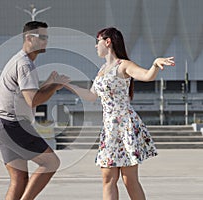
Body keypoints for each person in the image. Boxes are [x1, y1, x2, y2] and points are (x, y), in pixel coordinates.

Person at [66, 27, 175, 200]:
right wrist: (67, 85)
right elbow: (91, 95)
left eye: (98, 42)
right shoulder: (102, 69)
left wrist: (154, 64)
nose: (96, 47)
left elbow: (147, 76)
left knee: (129, 179)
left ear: (107, 42)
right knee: (108, 178)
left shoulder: (123, 65)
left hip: (125, 126)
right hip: (109, 128)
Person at [0, 21, 69, 200]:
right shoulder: (25, 64)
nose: (45, 41)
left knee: (19, 179)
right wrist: (55, 86)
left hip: (0, 124)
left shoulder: (21, 61)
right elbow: (33, 100)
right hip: (12, 124)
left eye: (47, 37)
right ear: (28, 38)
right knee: (51, 162)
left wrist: (49, 83)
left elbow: (28, 95)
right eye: (41, 37)